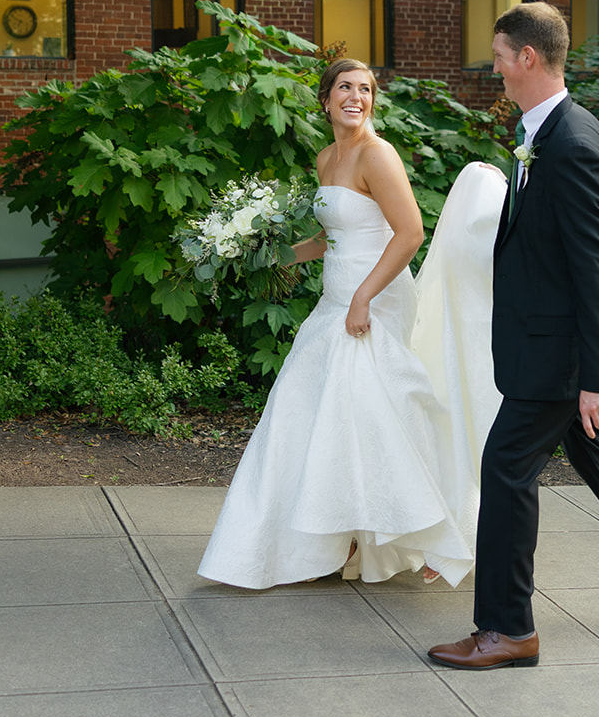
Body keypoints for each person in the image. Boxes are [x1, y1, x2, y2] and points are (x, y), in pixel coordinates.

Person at [428, 2, 599, 671]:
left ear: (527, 57)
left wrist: (595, 377)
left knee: (505, 468)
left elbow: (596, 266)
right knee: (594, 456)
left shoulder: (573, 143)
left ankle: (507, 627)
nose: (492, 67)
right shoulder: (547, 134)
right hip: (550, 343)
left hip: (557, 353)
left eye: (498, 55)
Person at [197, 57, 474, 589]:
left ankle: (423, 530)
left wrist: (364, 298)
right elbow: (331, 238)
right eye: (345, 87)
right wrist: (272, 256)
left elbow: (410, 233)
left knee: (368, 415)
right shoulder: (326, 158)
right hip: (336, 299)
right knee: (309, 411)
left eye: (366, 89)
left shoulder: (378, 155)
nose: (356, 96)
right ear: (325, 99)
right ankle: (326, 537)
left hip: (375, 299)